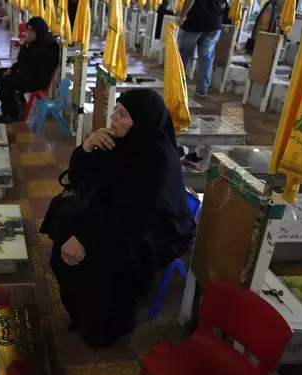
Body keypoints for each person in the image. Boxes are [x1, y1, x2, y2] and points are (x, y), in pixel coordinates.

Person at [40, 89, 196, 349]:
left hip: (155, 230)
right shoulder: (120, 141)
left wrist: (84, 239)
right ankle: (82, 310)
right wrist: (87, 147)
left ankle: (108, 325)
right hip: (121, 213)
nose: (112, 118)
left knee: (105, 257)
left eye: (122, 114)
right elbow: (81, 179)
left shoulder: (157, 159)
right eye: (116, 110)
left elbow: (136, 217)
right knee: (66, 216)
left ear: (142, 121)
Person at [0, 17, 59, 123]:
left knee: (4, 81)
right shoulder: (37, 41)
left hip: (37, 80)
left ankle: (12, 114)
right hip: (29, 73)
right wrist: (12, 69)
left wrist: (23, 45)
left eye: (32, 30)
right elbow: (21, 61)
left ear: (39, 30)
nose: (28, 33)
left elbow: (27, 62)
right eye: (28, 29)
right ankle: (13, 102)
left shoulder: (49, 45)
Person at [176, 0, 227, 97]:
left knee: (183, 55)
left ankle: (178, 86)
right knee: (206, 57)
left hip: (195, 21)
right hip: (215, 23)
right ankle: (202, 89)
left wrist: (181, 17)